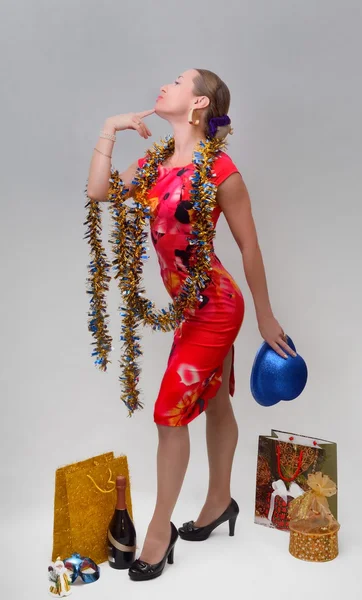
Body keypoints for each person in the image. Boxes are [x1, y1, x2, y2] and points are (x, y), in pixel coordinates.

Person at [86, 68, 296, 581]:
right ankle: (221, 499)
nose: (164, 86)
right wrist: (110, 129)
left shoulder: (221, 170)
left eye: (176, 82)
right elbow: (99, 192)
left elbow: (249, 246)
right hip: (188, 308)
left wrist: (266, 317)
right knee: (215, 400)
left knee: (168, 416)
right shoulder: (155, 164)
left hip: (217, 306)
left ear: (198, 102)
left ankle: (160, 530)